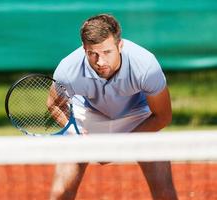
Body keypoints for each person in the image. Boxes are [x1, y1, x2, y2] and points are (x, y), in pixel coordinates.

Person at [49, 14, 178, 200]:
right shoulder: (68, 70)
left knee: (165, 192)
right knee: (60, 193)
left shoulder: (145, 65)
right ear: (84, 49)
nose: (100, 62)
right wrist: (76, 133)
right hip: (85, 114)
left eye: (107, 52)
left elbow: (162, 116)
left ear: (120, 45)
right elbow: (53, 104)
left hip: (138, 115)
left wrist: (120, 147)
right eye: (92, 54)